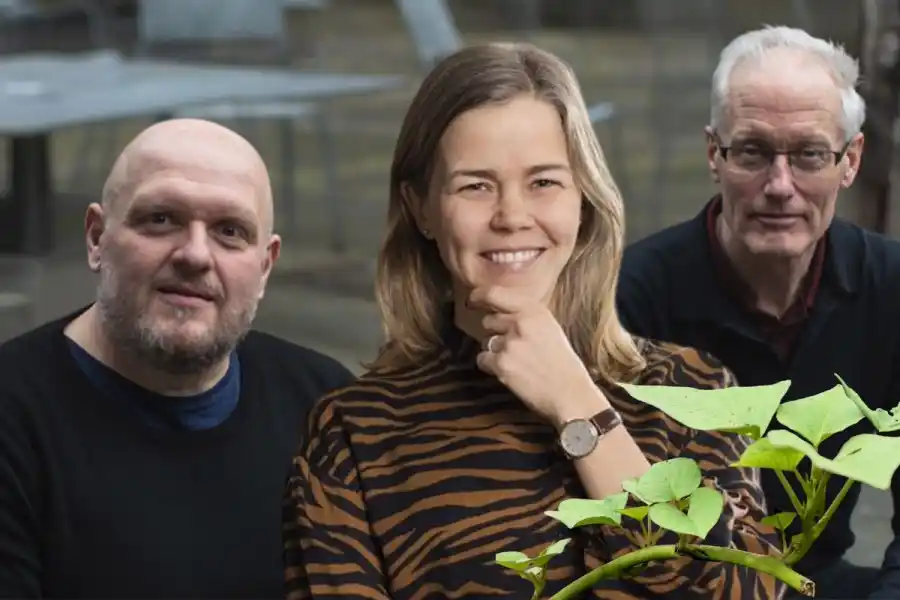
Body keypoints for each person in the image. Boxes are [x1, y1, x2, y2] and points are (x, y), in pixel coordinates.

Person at [282, 43, 783, 600]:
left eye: (544, 182)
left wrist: (578, 405)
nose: (512, 217)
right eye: (475, 185)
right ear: (421, 208)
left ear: (583, 201)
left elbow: (731, 591)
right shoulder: (355, 431)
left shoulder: (698, 391)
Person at [0, 118, 355, 598]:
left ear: (265, 266)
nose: (194, 255)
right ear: (96, 239)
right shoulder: (15, 422)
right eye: (161, 219)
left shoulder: (321, 405)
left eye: (229, 231)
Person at [616, 25, 900, 599]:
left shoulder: (891, 286)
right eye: (752, 151)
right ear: (713, 155)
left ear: (851, 161)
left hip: (814, 580)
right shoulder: (631, 296)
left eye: (810, 154)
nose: (780, 185)